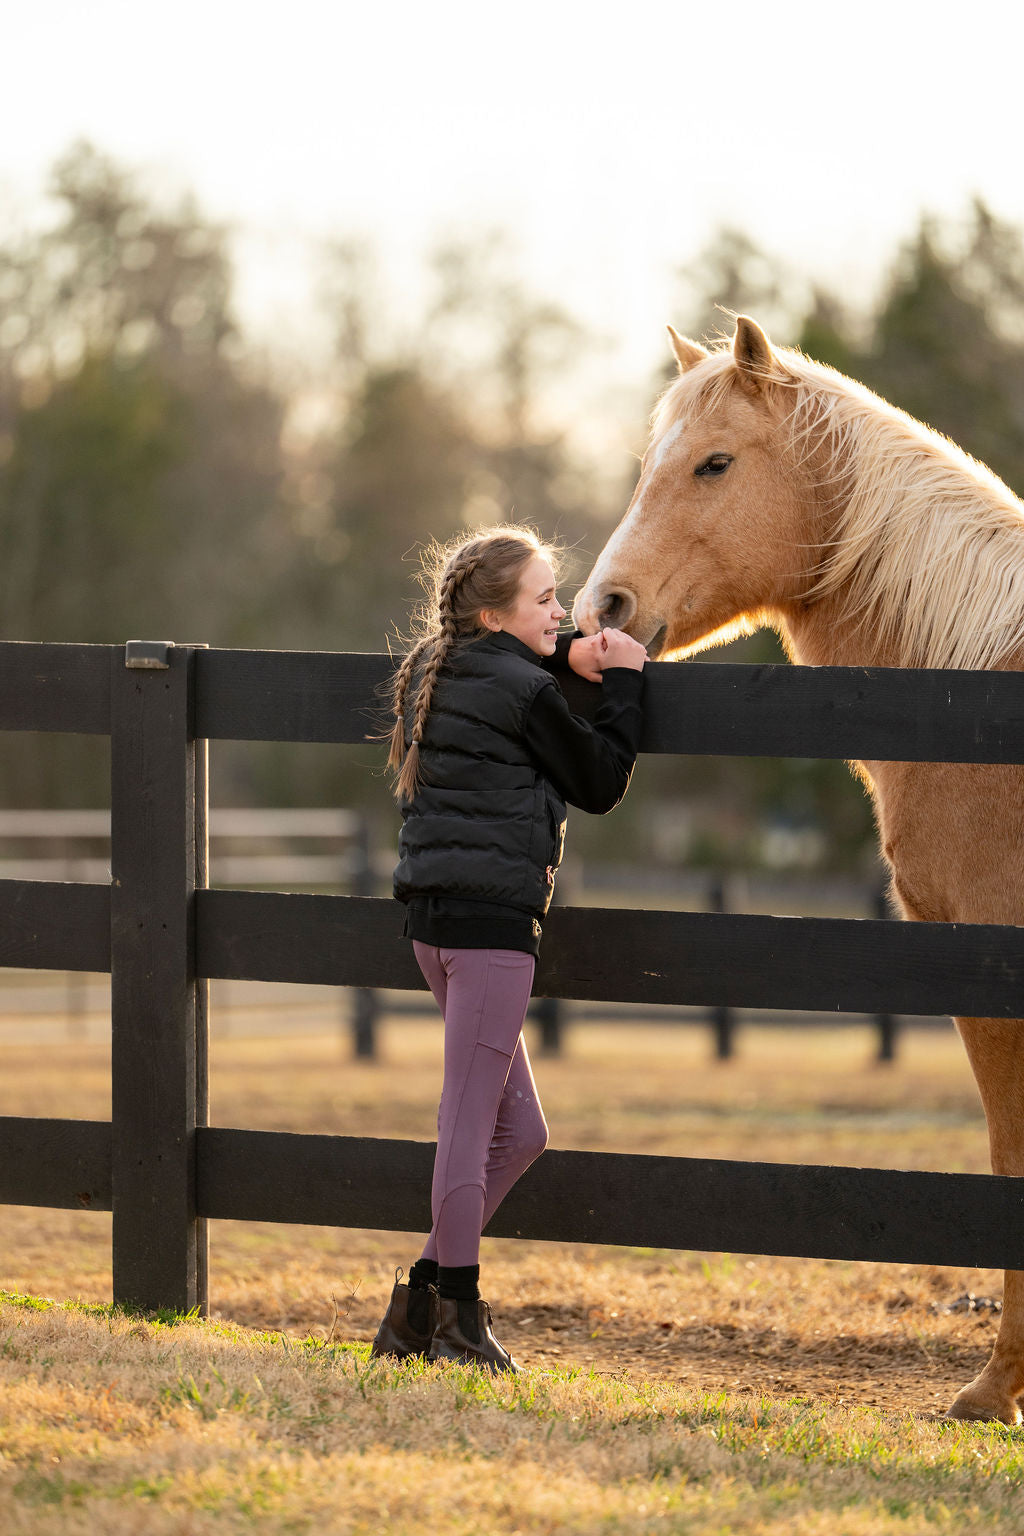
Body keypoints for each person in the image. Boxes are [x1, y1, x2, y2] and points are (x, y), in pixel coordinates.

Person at [370, 524, 646, 1373]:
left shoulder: (434, 666)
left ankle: (416, 1306)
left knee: (519, 1131)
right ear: (494, 615)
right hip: (489, 934)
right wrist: (628, 682)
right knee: (469, 1122)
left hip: (435, 927)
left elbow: (521, 670)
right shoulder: (525, 692)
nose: (560, 612)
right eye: (545, 600)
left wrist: (567, 654)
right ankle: (459, 1320)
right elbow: (597, 781)